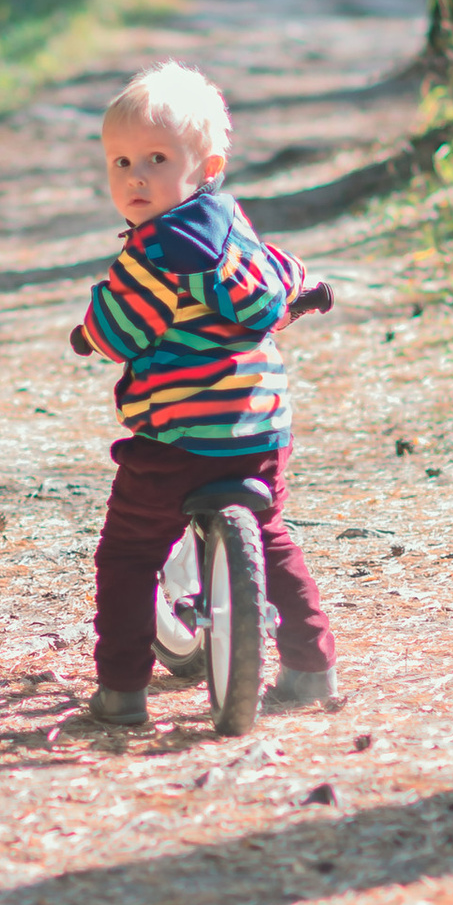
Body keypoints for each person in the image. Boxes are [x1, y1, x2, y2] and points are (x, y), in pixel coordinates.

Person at [72, 59, 341, 728]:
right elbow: (280, 273)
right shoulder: (235, 229)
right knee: (270, 538)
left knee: (129, 554)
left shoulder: (154, 256)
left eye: (157, 159)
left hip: (177, 441)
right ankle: (311, 667)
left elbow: (120, 332)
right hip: (257, 432)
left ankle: (122, 689)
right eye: (121, 162)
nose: (136, 177)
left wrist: (89, 332)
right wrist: (303, 287)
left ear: (206, 165)